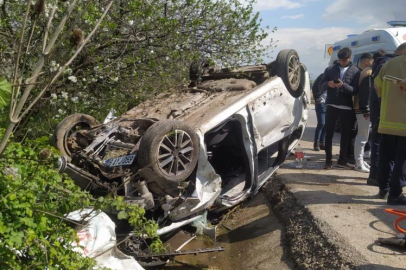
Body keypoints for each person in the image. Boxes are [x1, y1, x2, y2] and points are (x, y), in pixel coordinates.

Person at [374, 43, 406, 205]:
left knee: (386, 157)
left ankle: (383, 189)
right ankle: (395, 194)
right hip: (404, 124)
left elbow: (377, 86)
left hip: (387, 120)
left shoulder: (389, 64)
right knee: (402, 160)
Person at [320, 47, 360, 169]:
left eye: (344, 60)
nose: (342, 62)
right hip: (331, 104)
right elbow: (320, 86)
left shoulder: (356, 71)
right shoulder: (330, 69)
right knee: (329, 133)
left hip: (347, 107)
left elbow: (355, 91)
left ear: (350, 58)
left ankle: (342, 160)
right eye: (340, 60)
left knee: (346, 135)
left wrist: (343, 86)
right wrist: (328, 84)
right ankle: (328, 160)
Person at [353, 53, 374, 173]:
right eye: (372, 61)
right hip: (364, 110)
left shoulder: (364, 71)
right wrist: (366, 111)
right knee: (362, 136)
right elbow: (366, 93)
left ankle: (360, 161)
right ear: (367, 61)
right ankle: (359, 163)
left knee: (363, 135)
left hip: (361, 108)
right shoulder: (369, 72)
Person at [312, 73, 326, 151]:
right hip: (321, 103)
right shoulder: (322, 76)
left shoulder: (339, 78)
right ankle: (316, 143)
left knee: (326, 124)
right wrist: (317, 98)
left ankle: (322, 143)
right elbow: (314, 87)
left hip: (330, 104)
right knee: (321, 123)